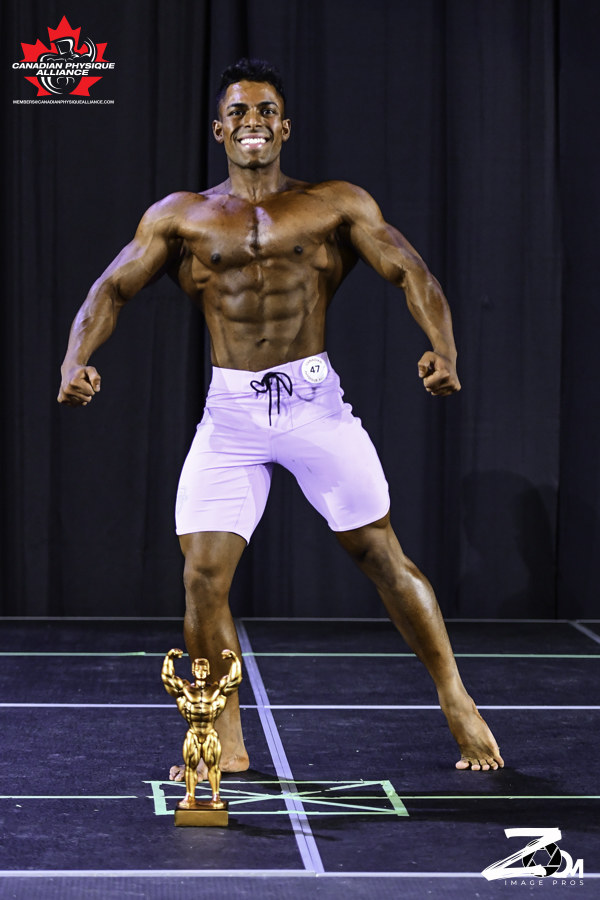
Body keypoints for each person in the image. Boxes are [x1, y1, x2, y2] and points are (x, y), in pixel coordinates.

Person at [58, 58, 503, 773]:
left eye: (265, 110)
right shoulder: (180, 216)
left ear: (285, 127)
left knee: (381, 555)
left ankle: (457, 698)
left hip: (314, 405)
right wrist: (74, 361)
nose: (252, 122)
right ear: (219, 130)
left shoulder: (334, 205)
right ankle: (225, 741)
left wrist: (443, 350)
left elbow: (410, 270)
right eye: (237, 111)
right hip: (231, 413)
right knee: (202, 577)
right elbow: (111, 288)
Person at [161, 647, 241, 808]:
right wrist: (169, 658)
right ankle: (189, 797)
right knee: (191, 767)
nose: (201, 671)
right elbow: (168, 678)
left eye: (204, 669)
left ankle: (216, 797)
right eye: (198, 668)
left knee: (213, 767)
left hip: (210, 734)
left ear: (208, 671)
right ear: (193, 670)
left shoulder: (216, 689)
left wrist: (234, 660)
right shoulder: (185, 689)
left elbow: (234, 680)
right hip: (193, 733)